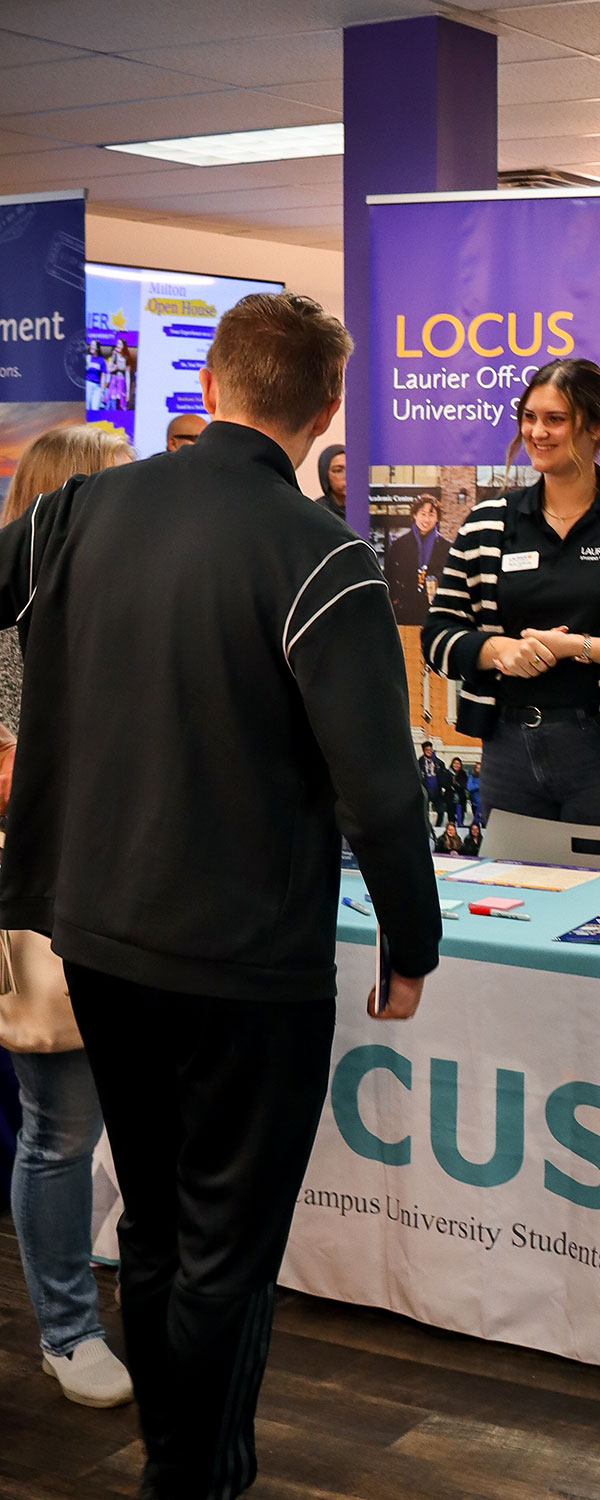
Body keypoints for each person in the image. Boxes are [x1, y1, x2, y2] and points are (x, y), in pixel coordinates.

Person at [0, 291, 440, 1500]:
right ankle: (195, 1477)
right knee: (227, 1245)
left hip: (98, 931)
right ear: (325, 411)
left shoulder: (80, 511)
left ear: (210, 385)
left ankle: (171, 1465)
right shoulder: (320, 556)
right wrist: (413, 943)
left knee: (152, 1220)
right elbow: (382, 793)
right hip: (247, 963)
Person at [0, 426, 136, 1412]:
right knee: (58, 1127)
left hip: (143, 897)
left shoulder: (131, 610)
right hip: (45, 902)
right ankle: (66, 1326)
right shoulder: (13, 625)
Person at [422, 358, 600, 826]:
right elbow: (438, 636)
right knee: (509, 895)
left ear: (598, 425)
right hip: (510, 753)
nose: (537, 432)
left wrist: (583, 648)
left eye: (556, 419)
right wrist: (496, 651)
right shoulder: (488, 526)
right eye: (529, 417)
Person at [386, 493, 450, 623]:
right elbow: (389, 575)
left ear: (437, 518)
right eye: (423, 514)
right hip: (404, 611)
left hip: (434, 613)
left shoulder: (446, 547)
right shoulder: (399, 544)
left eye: (431, 514)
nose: (426, 519)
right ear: (414, 515)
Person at [314, 442, 346, 519]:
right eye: (338, 470)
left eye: (353, 469)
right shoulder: (317, 511)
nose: (347, 475)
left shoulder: (366, 507)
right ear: (325, 475)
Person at [104, 338, 131, 410]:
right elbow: (108, 369)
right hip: (114, 381)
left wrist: (128, 391)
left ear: (123, 346)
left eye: (120, 344)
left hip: (121, 383)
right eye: (117, 344)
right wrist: (114, 368)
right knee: (112, 402)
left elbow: (127, 375)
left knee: (120, 402)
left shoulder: (127, 358)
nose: (118, 345)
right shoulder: (114, 356)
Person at [446, 755, 468, 825]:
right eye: (455, 763)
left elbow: (463, 785)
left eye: (458, 764)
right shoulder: (447, 773)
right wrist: (452, 786)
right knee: (451, 819)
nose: (456, 765)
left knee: (460, 819)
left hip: (460, 799)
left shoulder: (463, 774)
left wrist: (454, 786)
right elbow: (446, 784)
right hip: (450, 799)